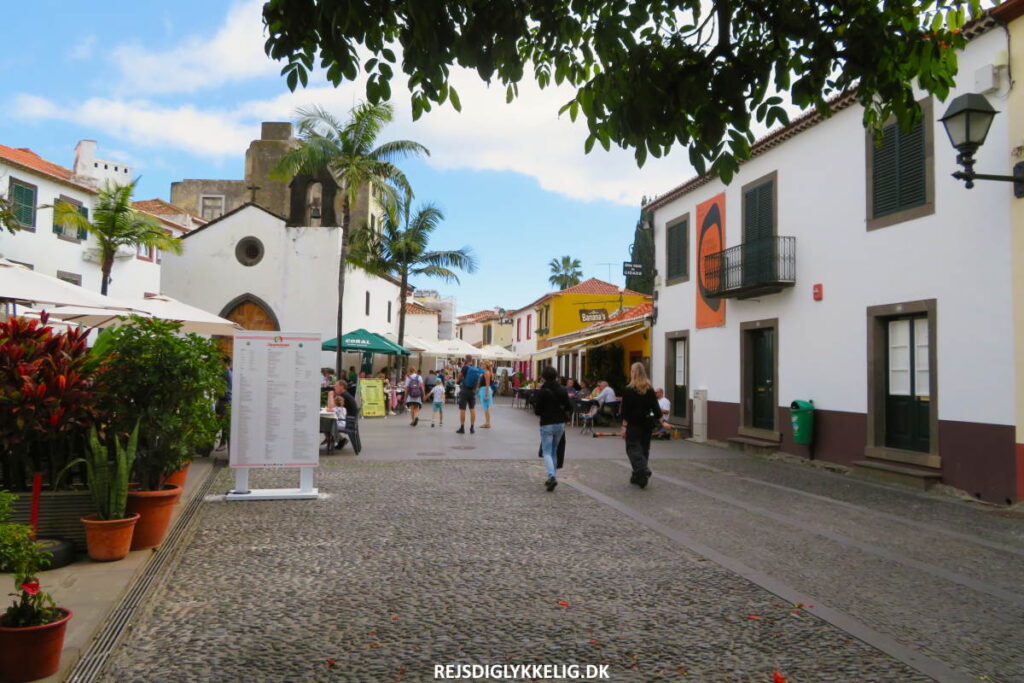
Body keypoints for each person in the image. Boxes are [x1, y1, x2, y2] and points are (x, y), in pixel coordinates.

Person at [620, 363, 662, 488]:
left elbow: (625, 411)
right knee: (643, 450)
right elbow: (656, 408)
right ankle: (639, 477)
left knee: (632, 449)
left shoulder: (628, 390)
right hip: (647, 424)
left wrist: (624, 426)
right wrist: (660, 420)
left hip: (633, 425)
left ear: (633, 372)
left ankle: (643, 469)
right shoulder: (650, 390)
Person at [534, 366, 572, 491]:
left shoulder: (543, 391)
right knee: (554, 451)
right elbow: (568, 406)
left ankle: (551, 476)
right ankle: (552, 476)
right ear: (555, 376)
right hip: (560, 424)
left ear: (543, 377)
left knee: (547, 452)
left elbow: (537, 410)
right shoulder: (562, 390)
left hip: (547, 423)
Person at [327, 379, 359, 449]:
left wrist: (330, 395)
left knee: (326, 424)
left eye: (336, 386)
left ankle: (338, 440)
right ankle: (337, 440)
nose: (334, 387)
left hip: (348, 422)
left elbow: (331, 408)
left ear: (341, 387)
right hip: (350, 420)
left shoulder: (343, 396)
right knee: (327, 423)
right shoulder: (345, 394)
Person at [456, 355, 483, 434]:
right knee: (472, 409)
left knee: (462, 409)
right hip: (472, 391)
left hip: (464, 390)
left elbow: (459, 376)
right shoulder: (475, 368)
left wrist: (459, 378)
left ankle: (462, 428)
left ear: (466, 359)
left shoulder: (465, 367)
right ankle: (472, 428)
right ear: (471, 360)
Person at [215, 355, 232, 452]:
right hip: (220, 399)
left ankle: (223, 444)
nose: (219, 363)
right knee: (217, 421)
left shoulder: (228, 373)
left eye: (220, 361)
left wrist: (220, 392)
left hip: (226, 400)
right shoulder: (221, 372)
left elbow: (228, 389)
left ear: (225, 362)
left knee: (224, 423)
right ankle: (210, 443)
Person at [478, 360, 495, 428]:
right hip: (484, 390)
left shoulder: (487, 372)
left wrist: (486, 394)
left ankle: (487, 423)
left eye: (483, 364)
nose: (481, 365)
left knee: (486, 407)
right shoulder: (485, 372)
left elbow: (487, 384)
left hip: (485, 390)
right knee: (486, 407)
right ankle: (487, 423)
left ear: (486, 365)